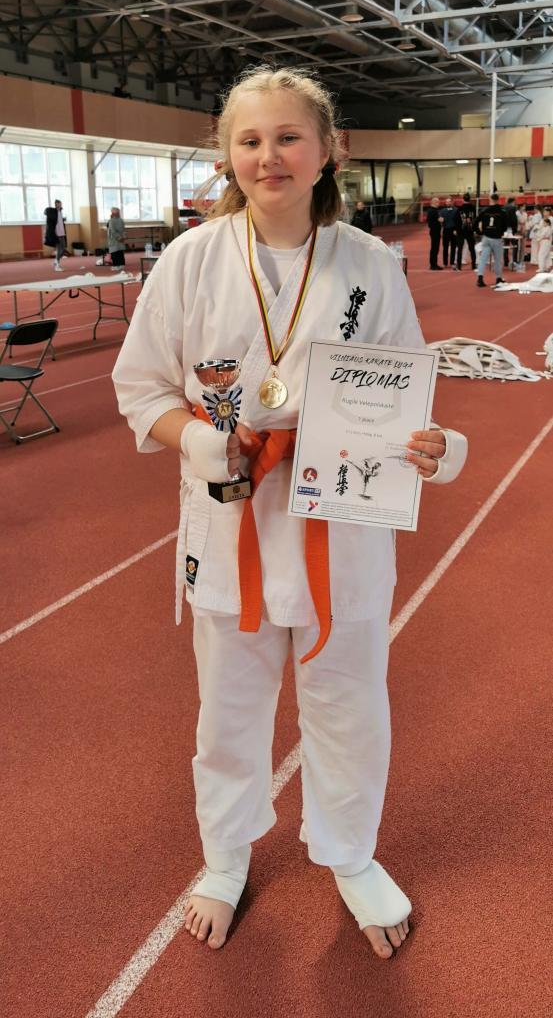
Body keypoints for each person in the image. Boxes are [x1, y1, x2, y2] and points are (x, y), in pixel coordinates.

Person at [112, 66, 468, 961]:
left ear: (327, 151)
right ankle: (225, 857)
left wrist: (434, 446)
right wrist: (202, 443)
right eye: (249, 140)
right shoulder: (191, 260)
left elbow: (402, 393)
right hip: (230, 515)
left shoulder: (369, 262)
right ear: (227, 156)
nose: (267, 155)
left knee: (348, 701)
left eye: (286, 137)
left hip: (340, 520)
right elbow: (140, 388)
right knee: (228, 709)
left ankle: (349, 854)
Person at [476, 192, 507, 287]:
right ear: (498, 200)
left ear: (490, 199)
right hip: (496, 238)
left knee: (483, 259)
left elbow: (475, 222)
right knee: (497, 259)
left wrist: (479, 232)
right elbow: (505, 226)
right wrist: (501, 232)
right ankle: (498, 278)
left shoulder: (484, 211)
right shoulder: (502, 211)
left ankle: (480, 278)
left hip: (486, 237)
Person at [44, 198, 67, 271]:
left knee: (63, 249)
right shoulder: (53, 212)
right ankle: (57, 266)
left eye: (60, 204)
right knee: (59, 249)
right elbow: (46, 211)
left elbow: (59, 220)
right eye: (57, 204)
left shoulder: (60, 212)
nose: (59, 205)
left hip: (62, 233)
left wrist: (63, 219)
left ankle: (55, 261)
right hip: (57, 233)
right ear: (55, 205)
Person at [456, 193, 477, 271]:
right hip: (470, 231)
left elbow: (457, 221)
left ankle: (459, 266)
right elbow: (475, 219)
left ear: (463, 199)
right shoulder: (473, 208)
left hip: (461, 231)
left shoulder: (459, 209)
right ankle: (474, 266)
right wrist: (474, 229)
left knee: (460, 249)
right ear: (470, 199)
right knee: (472, 249)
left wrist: (457, 230)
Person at [439, 197, 459, 268]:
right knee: (445, 247)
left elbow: (458, 221)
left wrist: (456, 229)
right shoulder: (442, 211)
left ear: (452, 202)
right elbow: (440, 220)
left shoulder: (456, 210)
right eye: (446, 202)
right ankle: (445, 263)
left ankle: (452, 263)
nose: (448, 203)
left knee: (453, 247)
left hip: (453, 230)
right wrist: (440, 221)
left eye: (449, 202)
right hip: (445, 230)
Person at [107, 206, 126, 270]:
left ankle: (116, 266)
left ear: (113, 213)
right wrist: (123, 237)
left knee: (114, 252)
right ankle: (122, 264)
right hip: (121, 238)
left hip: (114, 239)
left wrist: (118, 237)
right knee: (120, 252)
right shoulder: (121, 220)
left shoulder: (111, 221)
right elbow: (124, 229)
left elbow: (112, 231)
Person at [426, 196, 443, 270]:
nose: (439, 203)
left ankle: (433, 264)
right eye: (438, 202)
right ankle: (433, 265)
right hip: (435, 231)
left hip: (433, 230)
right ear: (434, 202)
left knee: (434, 248)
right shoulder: (434, 211)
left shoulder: (430, 210)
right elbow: (440, 220)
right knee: (435, 248)